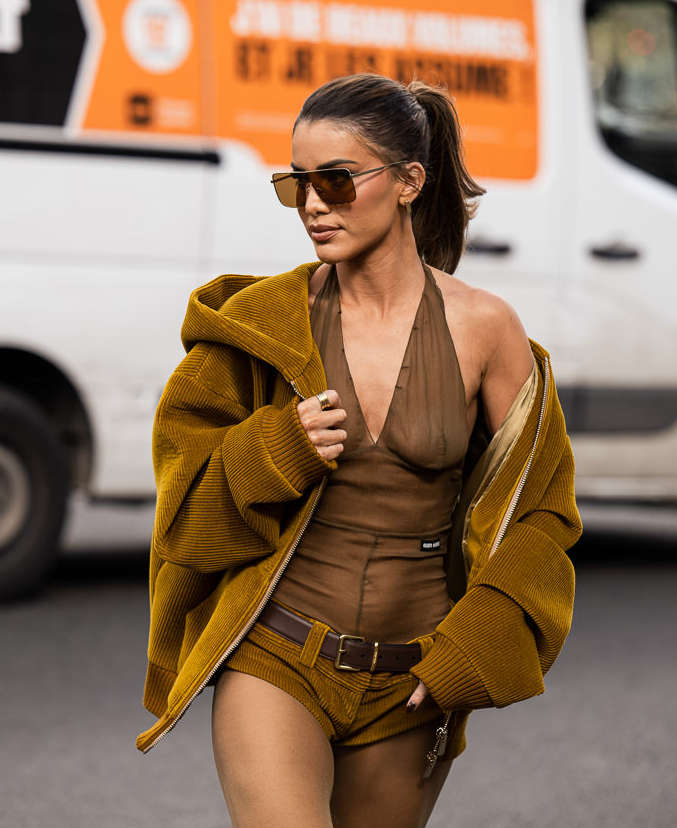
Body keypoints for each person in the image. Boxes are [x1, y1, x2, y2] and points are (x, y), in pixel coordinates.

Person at [136, 73, 582, 828]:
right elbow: (182, 498)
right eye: (297, 184)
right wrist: (276, 447)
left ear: (409, 181)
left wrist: (472, 646)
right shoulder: (259, 324)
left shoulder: (487, 330)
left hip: (410, 681)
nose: (313, 204)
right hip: (273, 659)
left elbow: (541, 517)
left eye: (337, 181)